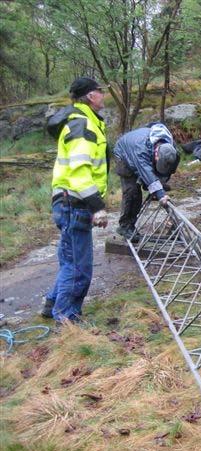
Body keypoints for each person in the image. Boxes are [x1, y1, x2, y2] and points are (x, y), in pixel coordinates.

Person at [42, 77, 109, 323]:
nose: (103, 95)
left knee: (69, 261)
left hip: (68, 200)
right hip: (75, 202)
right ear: (91, 96)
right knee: (80, 268)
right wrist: (98, 207)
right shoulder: (83, 126)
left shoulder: (83, 122)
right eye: (100, 91)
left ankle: (52, 304)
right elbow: (80, 171)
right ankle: (68, 320)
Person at [113, 123, 179, 240]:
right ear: (156, 155)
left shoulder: (172, 149)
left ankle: (153, 189)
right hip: (124, 153)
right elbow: (147, 173)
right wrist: (161, 194)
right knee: (132, 191)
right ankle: (125, 226)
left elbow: (170, 169)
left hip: (145, 154)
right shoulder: (141, 150)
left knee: (154, 183)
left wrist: (160, 186)